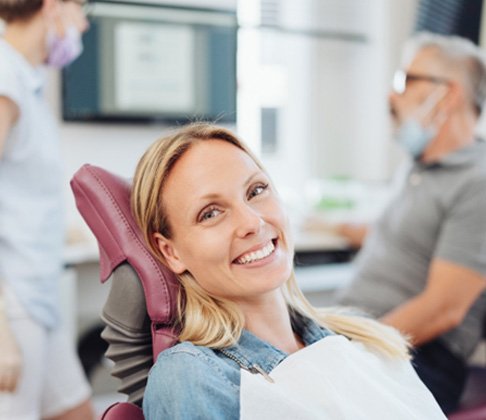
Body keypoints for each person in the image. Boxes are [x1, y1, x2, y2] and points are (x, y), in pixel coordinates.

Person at [131, 122, 446, 419]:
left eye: (256, 191)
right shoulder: (192, 376)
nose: (252, 222)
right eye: (211, 213)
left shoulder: (363, 336)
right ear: (170, 252)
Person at [332, 32, 486, 414]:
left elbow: (442, 308)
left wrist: (349, 351)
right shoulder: (420, 166)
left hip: (417, 355)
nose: (391, 96)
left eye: (404, 81)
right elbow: (412, 237)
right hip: (365, 335)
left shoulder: (478, 183)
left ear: (447, 95)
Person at [0, 0, 94, 418]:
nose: (83, 23)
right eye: (80, 8)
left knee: (76, 411)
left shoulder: (25, 80)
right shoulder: (5, 79)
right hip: (12, 302)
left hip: (39, 292)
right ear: (53, 6)